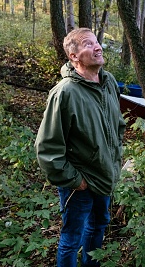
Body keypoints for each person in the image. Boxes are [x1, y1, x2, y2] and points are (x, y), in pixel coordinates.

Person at [35, 27, 126, 267]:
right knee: (71, 238)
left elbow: (117, 124)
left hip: (104, 175)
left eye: (96, 42)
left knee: (97, 227)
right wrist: (76, 180)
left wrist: (114, 158)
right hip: (80, 183)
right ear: (74, 56)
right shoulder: (64, 93)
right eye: (88, 44)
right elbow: (48, 148)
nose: (97, 47)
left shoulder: (108, 83)